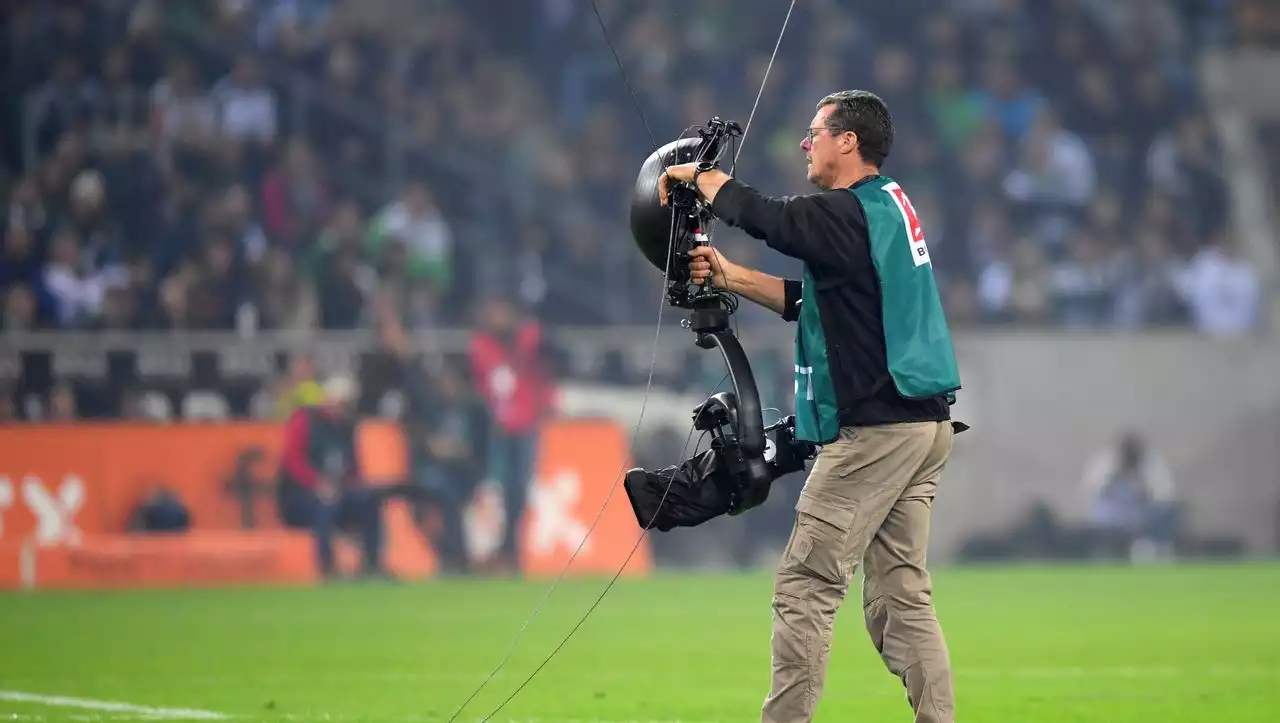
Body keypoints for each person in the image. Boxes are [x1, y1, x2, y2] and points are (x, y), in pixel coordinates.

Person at [659, 90, 964, 723]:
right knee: (902, 599)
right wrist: (731, 276)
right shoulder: (884, 210)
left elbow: (775, 220)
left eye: (815, 133)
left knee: (806, 586)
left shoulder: (844, 211)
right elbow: (817, 302)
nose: (806, 143)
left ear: (847, 141)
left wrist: (703, 177)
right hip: (923, 426)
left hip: (876, 433)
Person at [275, 374, 388, 581]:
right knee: (326, 504)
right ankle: (327, 568)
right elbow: (292, 460)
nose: (344, 409)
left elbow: (352, 468)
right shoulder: (305, 420)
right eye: (342, 403)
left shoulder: (347, 428)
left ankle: (373, 565)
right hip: (300, 495)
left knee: (369, 500)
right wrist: (316, 483)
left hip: (337, 491)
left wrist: (356, 485)